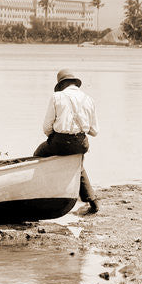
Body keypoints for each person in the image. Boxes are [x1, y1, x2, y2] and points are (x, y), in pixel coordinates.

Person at [33, 68, 99, 213]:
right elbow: (94, 131)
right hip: (81, 143)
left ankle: (39, 192)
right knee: (78, 165)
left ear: (61, 85)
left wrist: (54, 137)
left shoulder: (57, 97)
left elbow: (46, 127)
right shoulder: (89, 99)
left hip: (60, 142)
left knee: (38, 154)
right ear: (74, 83)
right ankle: (93, 202)